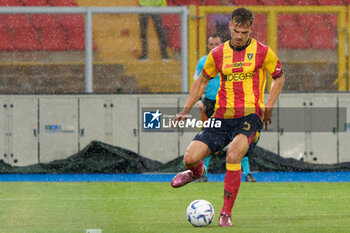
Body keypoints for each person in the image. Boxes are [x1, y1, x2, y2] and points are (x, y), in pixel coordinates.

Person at [171, 7, 285, 227]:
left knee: (234, 153)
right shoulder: (218, 54)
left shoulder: (263, 52)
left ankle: (225, 213)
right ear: (230, 27)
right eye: (236, 31)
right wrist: (185, 110)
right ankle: (197, 171)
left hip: (250, 115)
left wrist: (269, 106)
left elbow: (279, 77)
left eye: (244, 32)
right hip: (222, 117)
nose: (240, 36)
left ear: (251, 29)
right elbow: (201, 82)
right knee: (190, 158)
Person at [194, 34, 257, 183]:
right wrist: (199, 100)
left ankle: (247, 173)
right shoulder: (203, 62)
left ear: (222, 44)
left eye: (217, 43)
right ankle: (204, 173)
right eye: (211, 44)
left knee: (241, 137)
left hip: (230, 103)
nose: (214, 46)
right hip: (210, 104)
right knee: (207, 138)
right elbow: (198, 83)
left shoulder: (231, 59)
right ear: (207, 46)